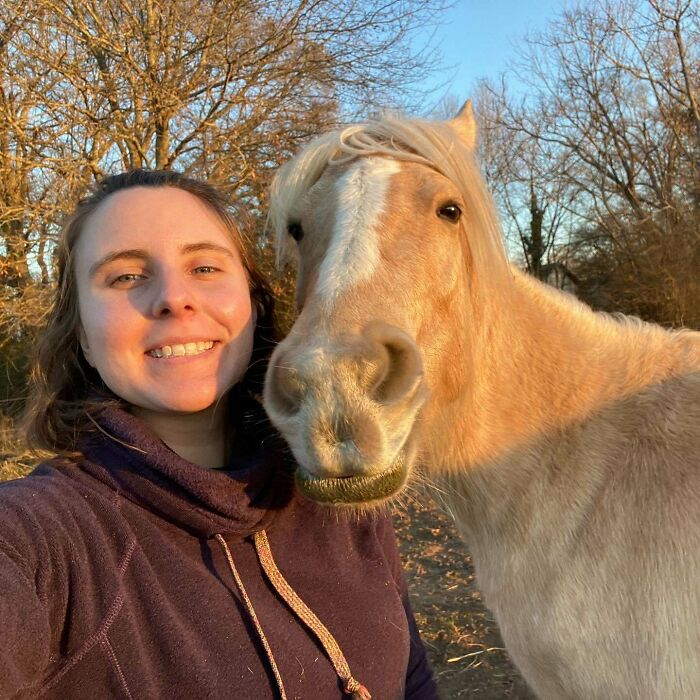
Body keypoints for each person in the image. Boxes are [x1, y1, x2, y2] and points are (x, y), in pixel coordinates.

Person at [0, 170, 438, 699]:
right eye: (125, 276)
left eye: (204, 266)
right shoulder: (42, 539)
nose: (174, 298)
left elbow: (412, 677)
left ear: (253, 304)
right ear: (84, 340)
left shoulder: (338, 489)